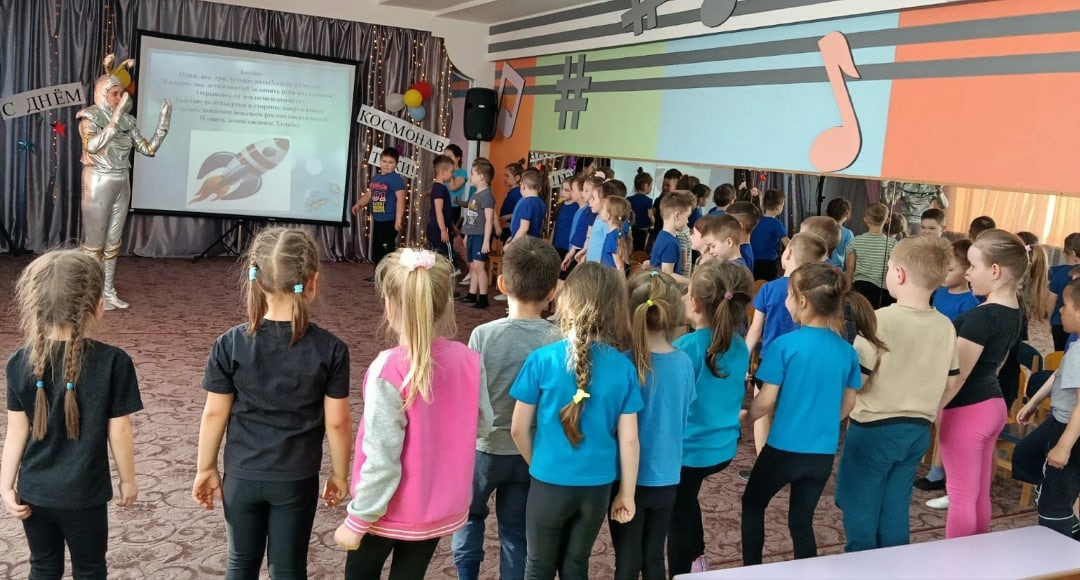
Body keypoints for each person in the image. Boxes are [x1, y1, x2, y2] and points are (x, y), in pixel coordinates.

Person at [193, 227, 352, 579]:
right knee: (289, 568)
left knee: (240, 563)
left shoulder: (229, 344)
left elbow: (214, 413)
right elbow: (338, 423)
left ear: (255, 281)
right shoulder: (332, 350)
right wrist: (340, 473)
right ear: (312, 282)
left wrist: (206, 467)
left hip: (241, 476)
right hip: (296, 479)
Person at [335, 248, 492, 578]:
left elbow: (382, 456)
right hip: (437, 509)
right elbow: (483, 425)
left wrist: (358, 519)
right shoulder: (470, 360)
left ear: (390, 305)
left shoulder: (388, 369)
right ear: (444, 304)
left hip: (383, 512)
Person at [1, 250, 142, 578]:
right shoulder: (114, 362)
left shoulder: (18, 362)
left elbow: (16, 432)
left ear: (35, 307)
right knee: (90, 569)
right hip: (84, 496)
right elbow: (119, 432)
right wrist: (128, 480)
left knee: (43, 566)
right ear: (99, 305)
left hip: (34, 492)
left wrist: (6, 485)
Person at [510, 263, 642, 579]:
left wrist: (538, 464)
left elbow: (517, 429)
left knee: (538, 566)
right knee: (576, 564)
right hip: (597, 486)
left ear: (565, 301)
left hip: (549, 480)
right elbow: (629, 440)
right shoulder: (624, 368)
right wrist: (627, 493)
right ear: (614, 309)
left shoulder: (541, 360)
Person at [741, 263, 880, 565]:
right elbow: (849, 403)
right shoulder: (847, 350)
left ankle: (751, 569)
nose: (786, 302)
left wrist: (745, 418)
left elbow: (766, 401)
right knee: (801, 521)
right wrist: (824, 422)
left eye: (789, 296)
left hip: (783, 450)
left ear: (802, 301)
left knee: (752, 505)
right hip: (821, 453)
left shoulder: (783, 345)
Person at [835, 236, 960, 551]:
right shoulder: (946, 325)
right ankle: (894, 564)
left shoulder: (879, 320)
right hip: (918, 429)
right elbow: (950, 382)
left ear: (899, 274)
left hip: (874, 428)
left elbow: (857, 381)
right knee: (895, 503)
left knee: (859, 500)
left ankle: (860, 563)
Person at [452, 237, 561, 580]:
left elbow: (470, 396)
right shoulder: (559, 339)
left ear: (501, 284)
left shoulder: (483, 335)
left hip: (483, 448)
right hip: (530, 452)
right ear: (553, 292)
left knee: (469, 517)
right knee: (516, 533)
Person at [936, 229, 1026, 538]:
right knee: (976, 493)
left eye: (973, 266)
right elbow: (996, 363)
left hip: (967, 410)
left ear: (995, 270)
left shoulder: (982, 317)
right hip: (992, 404)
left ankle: (956, 561)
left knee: (961, 495)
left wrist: (931, 409)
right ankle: (974, 558)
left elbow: (958, 375)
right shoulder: (1015, 310)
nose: (968, 273)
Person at [607, 269, 695, 580]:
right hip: (668, 477)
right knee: (655, 557)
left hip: (627, 479)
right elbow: (685, 412)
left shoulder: (623, 362)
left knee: (627, 560)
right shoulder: (684, 362)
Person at [669, 261, 753, 575]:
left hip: (690, 452)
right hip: (723, 447)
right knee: (685, 498)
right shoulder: (741, 345)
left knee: (675, 514)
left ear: (694, 303)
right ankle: (697, 557)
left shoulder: (685, 347)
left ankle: (682, 569)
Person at [78, 54, 171, 310]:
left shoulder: (128, 121)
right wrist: (114, 120)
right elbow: (92, 146)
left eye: (122, 94)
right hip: (97, 180)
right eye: (115, 94)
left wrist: (163, 123)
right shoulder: (89, 117)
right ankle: (91, 295)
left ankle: (108, 291)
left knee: (113, 243)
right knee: (94, 245)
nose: (120, 98)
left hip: (122, 181)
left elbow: (147, 149)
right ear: (102, 94)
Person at [744, 234, 829, 477]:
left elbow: (754, 332)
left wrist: (743, 362)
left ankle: (763, 467)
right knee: (795, 414)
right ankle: (791, 466)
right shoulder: (817, 293)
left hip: (770, 363)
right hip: (804, 363)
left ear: (788, 253)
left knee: (762, 415)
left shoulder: (769, 289)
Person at [1014, 278, 1080, 538]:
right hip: (1060, 422)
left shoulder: (1078, 354)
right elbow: (1059, 374)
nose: (1060, 310)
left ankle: (1062, 538)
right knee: (1026, 453)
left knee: (1054, 509)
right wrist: (1033, 402)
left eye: (1066, 305)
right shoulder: (1074, 347)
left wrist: (1063, 447)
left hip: (1068, 428)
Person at [354, 147, 409, 270]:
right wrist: (359, 204)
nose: (386, 165)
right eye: (384, 161)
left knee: (386, 248)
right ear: (380, 161)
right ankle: (378, 272)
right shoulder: (376, 178)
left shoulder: (396, 179)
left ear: (396, 164)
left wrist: (398, 219)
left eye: (390, 162)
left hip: (389, 220)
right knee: (377, 247)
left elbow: (401, 199)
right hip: (378, 219)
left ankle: (386, 273)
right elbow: (369, 195)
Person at [457, 158, 497, 309]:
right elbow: (471, 217)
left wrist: (486, 241)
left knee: (479, 267)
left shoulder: (487, 196)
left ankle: (484, 297)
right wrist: (467, 235)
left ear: (481, 177)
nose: (470, 177)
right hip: (473, 235)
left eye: (473, 174)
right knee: (473, 266)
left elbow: (489, 220)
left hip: (481, 236)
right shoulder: (475, 195)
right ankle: (472, 294)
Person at [847, 203, 897, 309]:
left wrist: (847, 287)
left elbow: (850, 266)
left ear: (865, 219)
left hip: (859, 287)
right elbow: (893, 268)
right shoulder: (892, 243)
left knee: (859, 316)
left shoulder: (856, 240)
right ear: (887, 220)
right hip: (882, 291)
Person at [649, 190, 695, 284]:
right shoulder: (670, 243)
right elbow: (668, 274)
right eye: (687, 217)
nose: (688, 221)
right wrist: (692, 282)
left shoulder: (662, 235)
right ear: (677, 215)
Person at [749, 189, 789, 281]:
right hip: (768, 262)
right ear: (778, 207)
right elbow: (787, 243)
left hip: (752, 260)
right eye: (783, 205)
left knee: (754, 283)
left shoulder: (756, 219)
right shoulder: (777, 224)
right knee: (768, 283)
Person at [1049, 233, 1080, 351]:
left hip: (1060, 323)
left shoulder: (1060, 273)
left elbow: (1050, 299)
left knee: (1061, 353)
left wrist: (1051, 318)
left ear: (1072, 253)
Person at [507, 169, 548, 246]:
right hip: (534, 242)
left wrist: (512, 244)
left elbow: (524, 228)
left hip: (523, 244)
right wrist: (513, 236)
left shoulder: (526, 203)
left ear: (523, 186)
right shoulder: (541, 203)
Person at [427, 154, 456, 259]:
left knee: (438, 256)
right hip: (439, 229)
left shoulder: (438, 187)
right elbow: (439, 211)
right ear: (442, 173)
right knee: (446, 257)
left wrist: (452, 226)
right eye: (451, 172)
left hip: (437, 227)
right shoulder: (440, 189)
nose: (452, 175)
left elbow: (444, 211)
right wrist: (443, 230)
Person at [725, 201, 760, 274]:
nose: (723, 226)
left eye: (725, 223)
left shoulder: (742, 254)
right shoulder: (742, 249)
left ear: (739, 226)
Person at [601, 196, 634, 273]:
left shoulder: (613, 237)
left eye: (602, 208)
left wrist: (622, 281)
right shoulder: (615, 234)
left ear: (608, 215)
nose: (600, 210)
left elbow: (620, 267)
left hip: (611, 278)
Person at [500, 160, 526, 242]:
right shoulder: (512, 192)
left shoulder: (517, 192)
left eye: (507, 176)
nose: (505, 178)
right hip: (506, 226)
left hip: (511, 227)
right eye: (504, 176)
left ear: (517, 178)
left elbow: (521, 210)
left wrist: (507, 217)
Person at [630, 169, 654, 252]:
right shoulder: (648, 201)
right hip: (642, 231)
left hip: (631, 230)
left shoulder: (629, 199)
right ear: (646, 185)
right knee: (640, 252)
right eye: (651, 185)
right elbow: (650, 216)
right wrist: (653, 222)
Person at [826, 198, 855, 270]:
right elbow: (849, 259)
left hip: (819, 267)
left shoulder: (820, 227)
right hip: (836, 270)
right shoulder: (848, 233)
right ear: (847, 213)